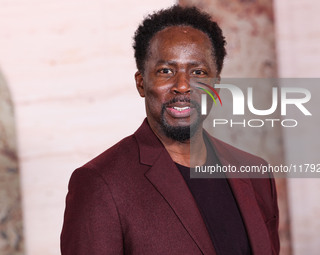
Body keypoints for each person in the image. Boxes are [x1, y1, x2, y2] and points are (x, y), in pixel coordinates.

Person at [61, 5, 279, 255]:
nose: (183, 86)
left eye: (198, 72)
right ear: (141, 83)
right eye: (166, 71)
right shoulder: (99, 184)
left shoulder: (255, 173)